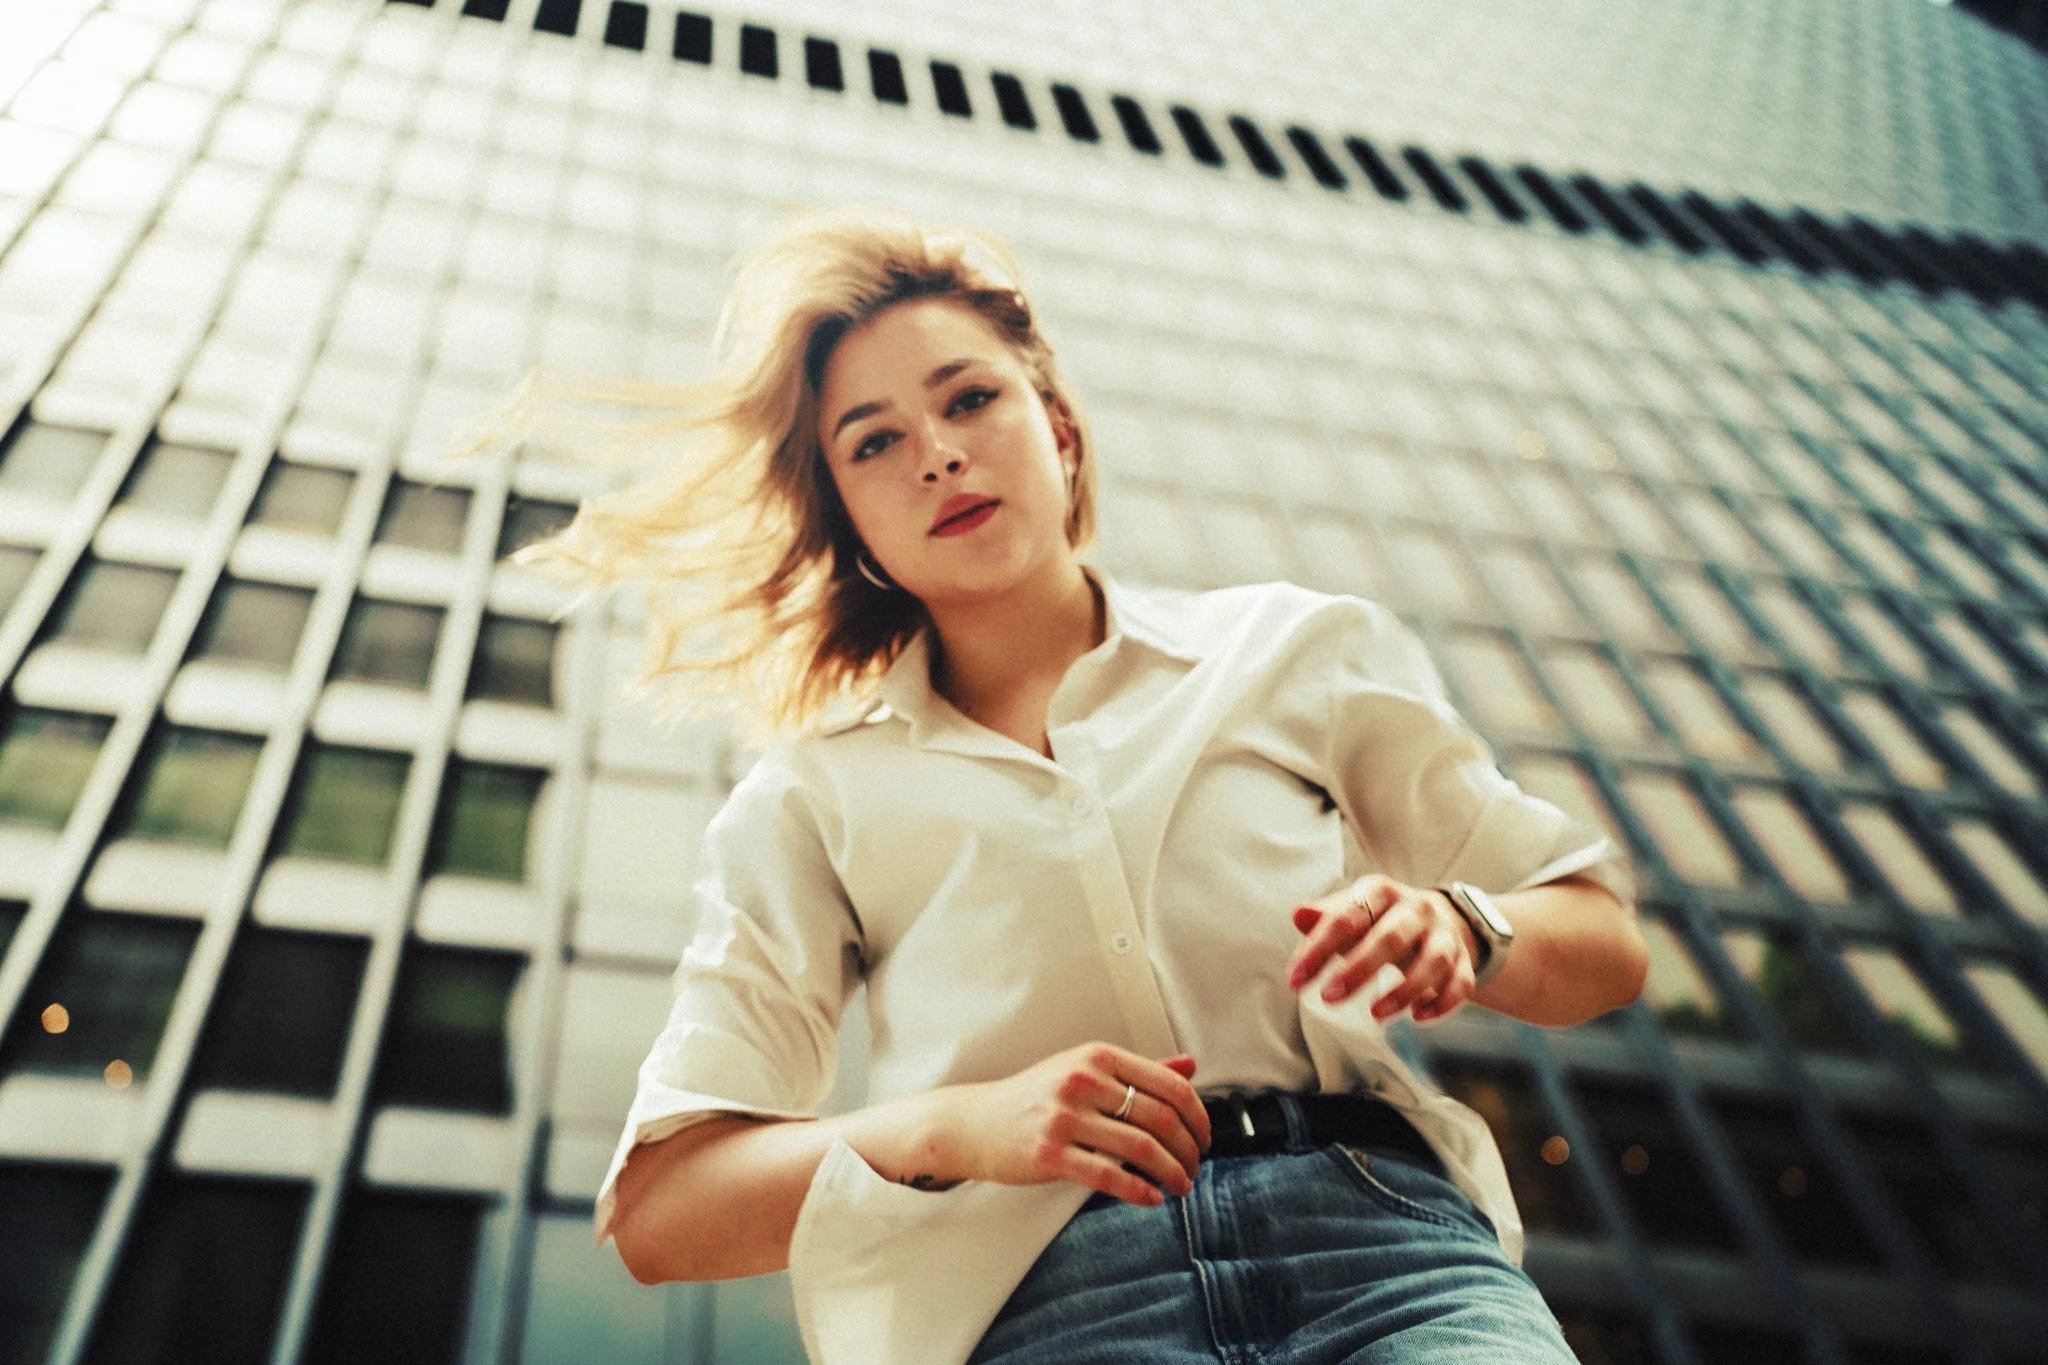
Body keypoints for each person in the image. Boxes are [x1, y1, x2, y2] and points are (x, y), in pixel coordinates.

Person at [522, 206, 1647, 1365]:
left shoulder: (1288, 651)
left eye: (969, 400)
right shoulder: (808, 799)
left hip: (1385, 1257)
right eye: (873, 442)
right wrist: (961, 1126)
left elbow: (1602, 943)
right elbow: (661, 1210)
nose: (938, 455)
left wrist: (1469, 924)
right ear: (851, 525)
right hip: (1051, 1305)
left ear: (1057, 430)